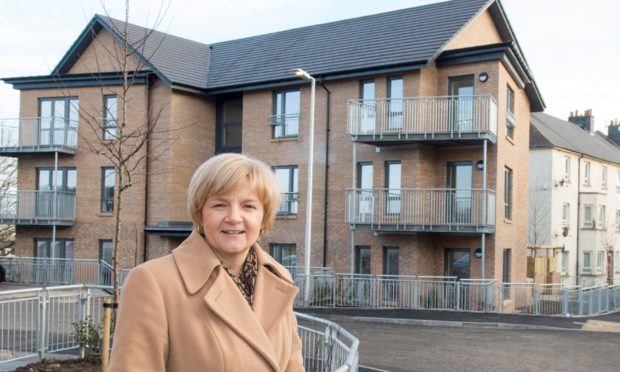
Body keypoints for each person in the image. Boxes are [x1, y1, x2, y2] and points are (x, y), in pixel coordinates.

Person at [110, 153, 304, 371]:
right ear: (200, 214)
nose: (234, 217)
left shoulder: (279, 278)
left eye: (248, 206)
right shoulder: (153, 282)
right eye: (220, 205)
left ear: (263, 218)